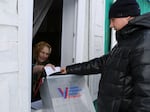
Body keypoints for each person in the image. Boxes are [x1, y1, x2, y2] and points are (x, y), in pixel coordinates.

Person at [61, 0, 150, 112]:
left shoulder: (144, 41)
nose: (110, 25)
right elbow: (103, 63)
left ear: (128, 17)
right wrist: (70, 69)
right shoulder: (127, 39)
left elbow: (146, 94)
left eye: (113, 20)